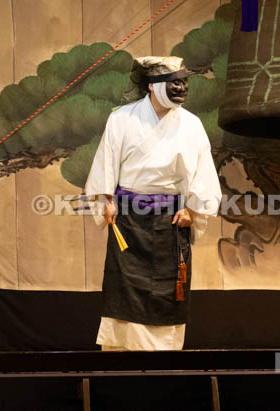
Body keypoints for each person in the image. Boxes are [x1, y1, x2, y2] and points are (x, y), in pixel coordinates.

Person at [85, 56, 222, 351]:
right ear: (152, 86)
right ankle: (123, 354)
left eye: (184, 82)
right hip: (129, 218)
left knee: (168, 289)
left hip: (172, 219)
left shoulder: (192, 124)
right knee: (126, 286)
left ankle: (165, 356)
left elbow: (203, 171)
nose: (181, 88)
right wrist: (106, 199)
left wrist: (193, 210)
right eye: (174, 83)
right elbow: (106, 162)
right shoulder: (122, 118)